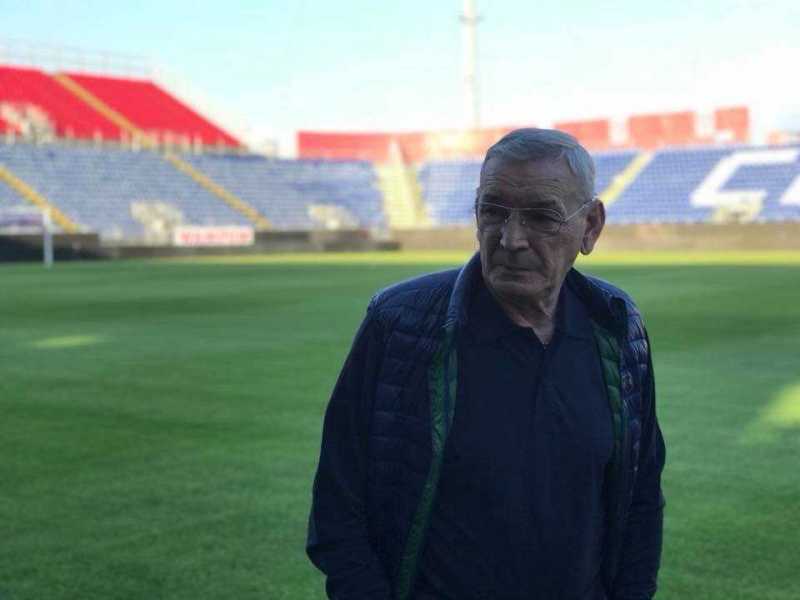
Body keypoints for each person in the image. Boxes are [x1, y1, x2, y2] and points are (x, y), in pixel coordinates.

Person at [307, 128, 666, 600]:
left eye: (542, 216)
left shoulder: (617, 326)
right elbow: (339, 509)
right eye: (493, 211)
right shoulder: (399, 325)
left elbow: (641, 497)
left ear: (591, 226)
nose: (511, 239)